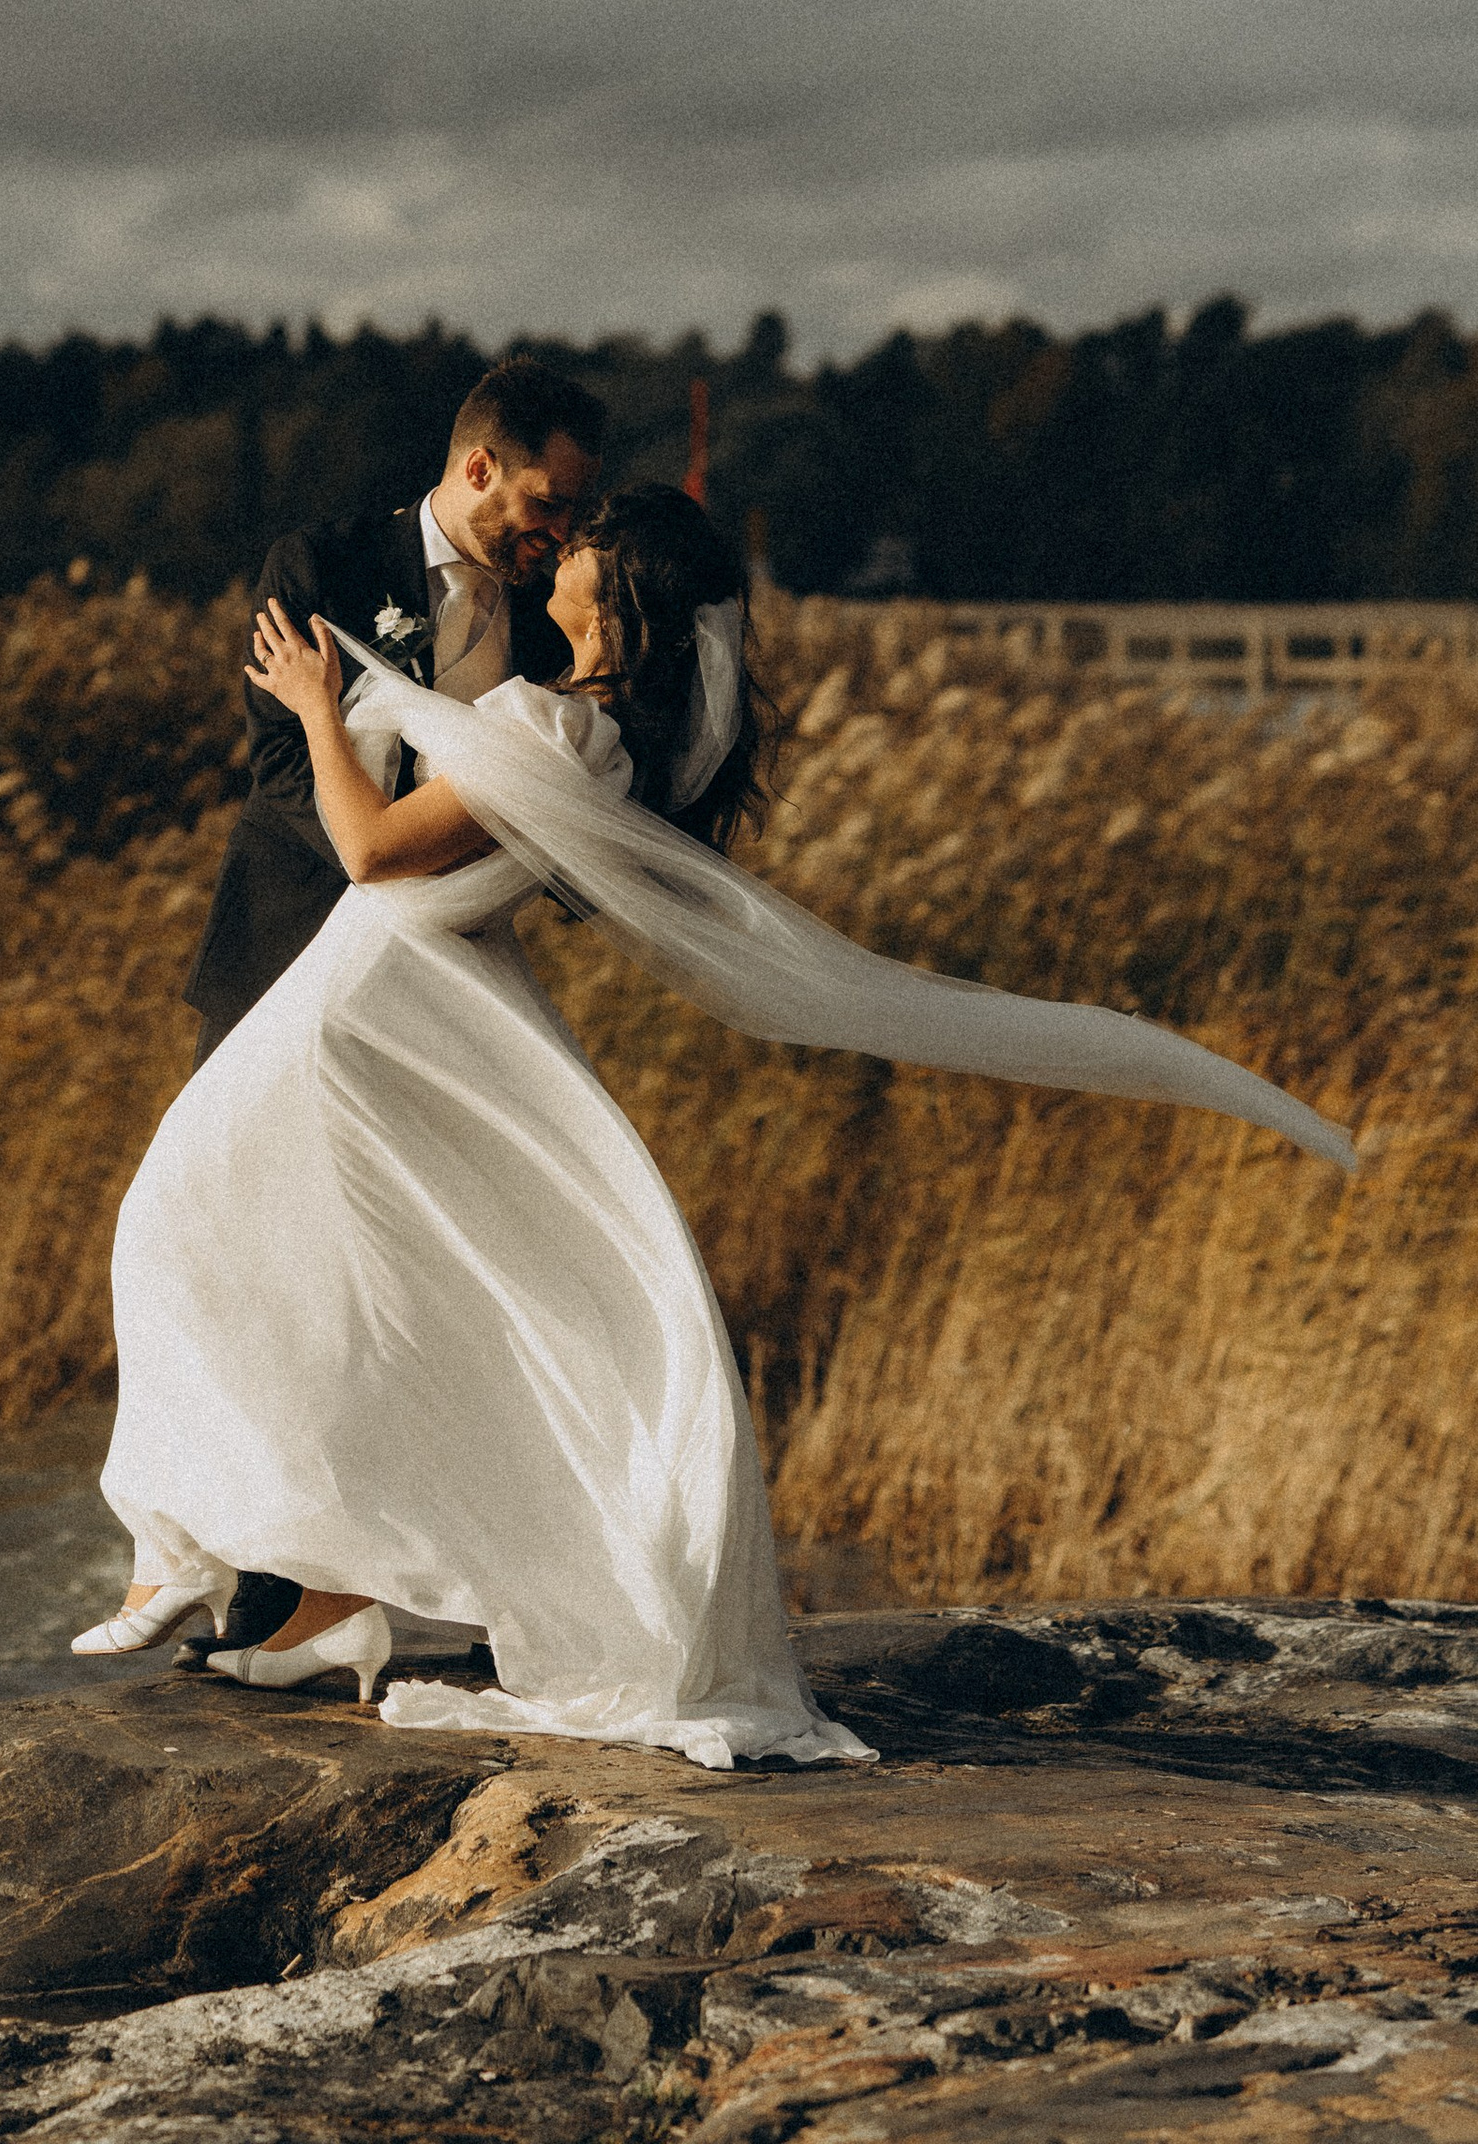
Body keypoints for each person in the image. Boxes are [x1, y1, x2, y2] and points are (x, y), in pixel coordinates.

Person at [73, 487, 1356, 1763]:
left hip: (372, 1002)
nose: (557, 557)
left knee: (178, 1222)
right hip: (395, 991)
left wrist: (315, 708)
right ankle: (305, 1589)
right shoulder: (581, 726)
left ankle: (199, 1552)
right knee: (325, 1268)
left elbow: (368, 851)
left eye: (581, 551)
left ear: (613, 594)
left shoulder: (561, 725)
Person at [179, 357, 604, 1061]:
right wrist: (393, 866)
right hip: (287, 947)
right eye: (548, 502)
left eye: (574, 510)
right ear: (479, 470)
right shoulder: (323, 564)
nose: (562, 532)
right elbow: (279, 758)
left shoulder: (548, 614)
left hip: (445, 980)